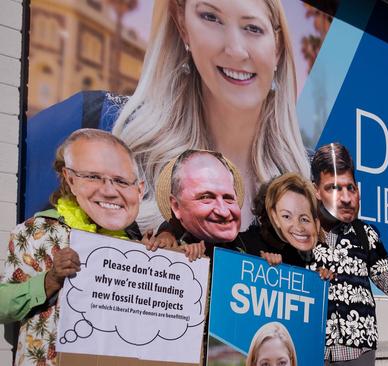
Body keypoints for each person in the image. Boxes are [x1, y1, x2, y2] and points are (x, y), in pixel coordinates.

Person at [112, 0, 310, 232]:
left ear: (277, 47)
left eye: (253, 28)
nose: (235, 50)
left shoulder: (310, 177)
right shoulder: (116, 139)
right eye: (211, 18)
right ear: (183, 25)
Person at [0, 129, 144, 366]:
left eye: (120, 180)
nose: (109, 190)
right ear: (70, 179)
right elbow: (3, 306)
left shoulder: (134, 241)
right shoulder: (38, 231)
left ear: (138, 189)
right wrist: (50, 280)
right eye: (93, 177)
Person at [310, 143, 388, 365]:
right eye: (333, 188)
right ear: (316, 191)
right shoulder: (299, 234)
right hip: (310, 350)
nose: (346, 198)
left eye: (351, 188)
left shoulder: (365, 234)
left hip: (359, 353)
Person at [155, 149, 246, 256]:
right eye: (206, 197)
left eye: (228, 198)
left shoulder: (249, 246)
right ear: (176, 206)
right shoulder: (167, 251)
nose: (223, 212)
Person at [246, 172, 321, 266]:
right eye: (286, 216)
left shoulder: (297, 253)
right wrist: (259, 263)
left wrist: (317, 277)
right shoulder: (245, 241)